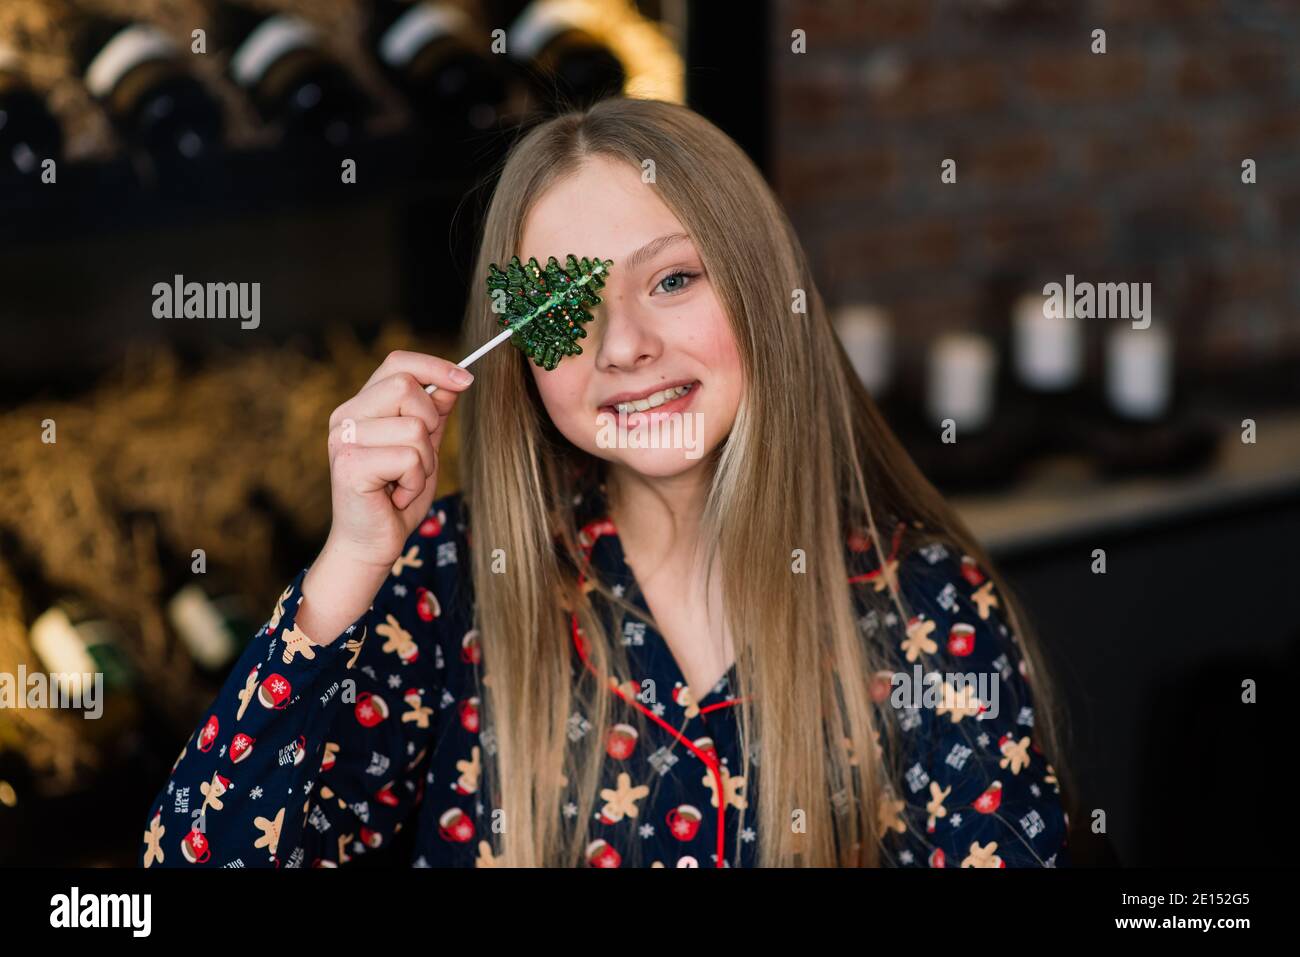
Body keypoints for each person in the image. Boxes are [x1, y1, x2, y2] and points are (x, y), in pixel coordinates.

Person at [138, 96, 1073, 869]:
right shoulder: (452, 582)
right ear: (520, 351)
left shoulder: (927, 607)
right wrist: (347, 567)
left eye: (672, 280)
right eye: (564, 305)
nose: (621, 345)